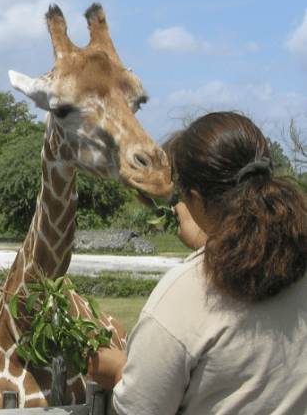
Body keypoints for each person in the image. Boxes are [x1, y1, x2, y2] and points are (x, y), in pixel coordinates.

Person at [87, 111, 307, 414]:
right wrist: (206, 242)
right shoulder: (298, 262)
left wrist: (116, 371)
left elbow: (139, 409)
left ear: (195, 198)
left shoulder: (183, 296)